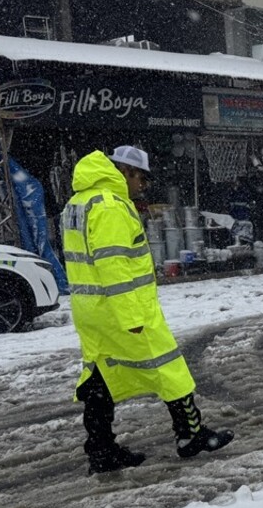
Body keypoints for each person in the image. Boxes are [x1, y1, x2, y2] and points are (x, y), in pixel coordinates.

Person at [60, 145, 233, 474]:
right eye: (141, 177)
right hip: (121, 307)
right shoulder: (109, 205)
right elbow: (114, 266)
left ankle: (101, 450)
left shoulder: (78, 202)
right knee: (170, 367)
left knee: (101, 377)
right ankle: (191, 435)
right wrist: (132, 318)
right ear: (124, 172)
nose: (144, 185)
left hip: (90, 307)